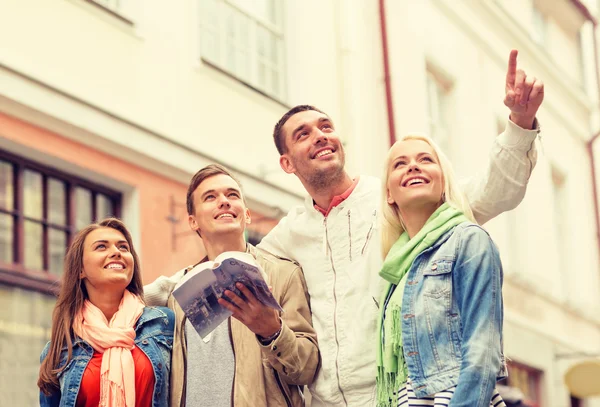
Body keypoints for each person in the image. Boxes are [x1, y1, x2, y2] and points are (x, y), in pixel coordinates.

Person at [257, 49, 543, 406]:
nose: (320, 135)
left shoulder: (397, 198)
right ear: (286, 163)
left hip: (397, 395)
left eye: (326, 127)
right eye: (303, 134)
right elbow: (233, 265)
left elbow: (492, 192)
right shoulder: (287, 234)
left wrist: (519, 122)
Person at [144, 164, 319, 407]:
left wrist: (272, 332)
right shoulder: (178, 293)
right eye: (210, 197)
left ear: (246, 214)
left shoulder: (284, 274)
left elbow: (307, 369)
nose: (224, 201)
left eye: (232, 195)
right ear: (193, 222)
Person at [377, 133, 506, 406]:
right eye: (400, 164)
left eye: (425, 159)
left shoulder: (469, 240)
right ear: (389, 194)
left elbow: (483, 348)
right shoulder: (396, 267)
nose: (413, 166)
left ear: (443, 181)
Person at [38, 218, 174, 407]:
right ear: (80, 270)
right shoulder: (59, 348)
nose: (116, 252)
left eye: (123, 247)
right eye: (101, 247)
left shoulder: (164, 324)